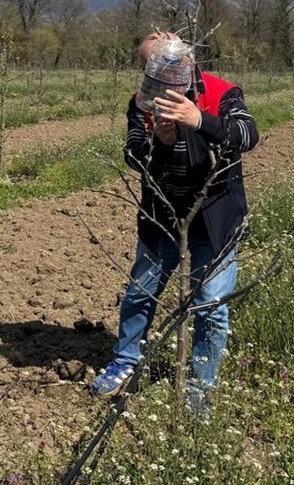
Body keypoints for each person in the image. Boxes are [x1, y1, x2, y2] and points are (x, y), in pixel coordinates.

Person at [91, 32, 259, 418]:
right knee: (141, 290)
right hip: (162, 213)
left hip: (215, 215)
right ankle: (125, 361)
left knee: (211, 304)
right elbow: (134, 154)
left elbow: (248, 135)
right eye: (150, 73)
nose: (160, 84)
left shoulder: (223, 93)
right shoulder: (142, 103)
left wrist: (200, 120)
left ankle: (200, 388)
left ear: (186, 68)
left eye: (167, 73)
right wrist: (159, 142)